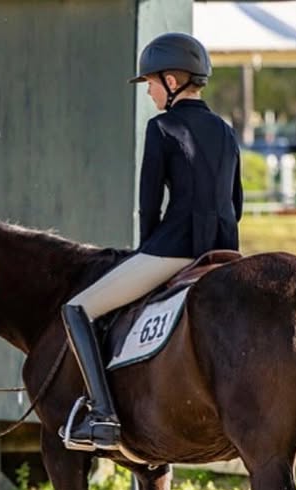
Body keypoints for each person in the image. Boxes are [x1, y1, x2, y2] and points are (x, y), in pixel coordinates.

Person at [60, 31, 243, 452]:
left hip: (172, 251)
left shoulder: (161, 127)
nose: (149, 92)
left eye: (151, 83)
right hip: (225, 252)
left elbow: (149, 204)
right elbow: (235, 201)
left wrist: (147, 253)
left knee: (76, 309)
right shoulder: (226, 131)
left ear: (173, 80)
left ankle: (103, 416)